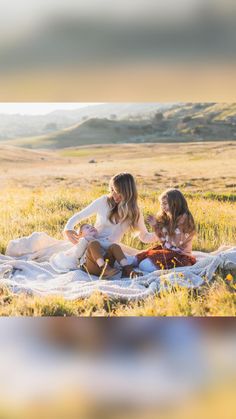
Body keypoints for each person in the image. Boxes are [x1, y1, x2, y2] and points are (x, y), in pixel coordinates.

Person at [63, 173, 157, 277]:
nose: (114, 195)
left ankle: (128, 271)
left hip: (111, 252)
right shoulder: (103, 201)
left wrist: (163, 233)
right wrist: (68, 228)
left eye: (117, 192)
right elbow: (80, 215)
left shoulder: (134, 212)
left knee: (137, 258)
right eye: (112, 190)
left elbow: (144, 236)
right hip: (93, 250)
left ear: (127, 192)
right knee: (93, 246)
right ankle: (105, 268)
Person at [135, 189, 197, 272]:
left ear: (175, 203)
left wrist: (157, 226)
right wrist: (156, 226)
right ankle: (125, 262)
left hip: (180, 256)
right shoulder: (169, 217)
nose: (162, 207)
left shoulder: (184, 220)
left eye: (165, 203)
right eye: (161, 204)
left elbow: (176, 242)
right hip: (169, 251)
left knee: (144, 265)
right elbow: (163, 240)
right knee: (141, 257)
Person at [51, 222, 141, 278]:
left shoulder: (100, 241)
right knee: (93, 244)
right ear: (81, 234)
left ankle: (128, 270)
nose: (91, 227)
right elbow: (77, 255)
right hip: (91, 266)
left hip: (108, 265)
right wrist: (85, 240)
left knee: (115, 246)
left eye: (92, 227)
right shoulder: (83, 241)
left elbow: (110, 248)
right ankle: (105, 269)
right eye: (87, 227)